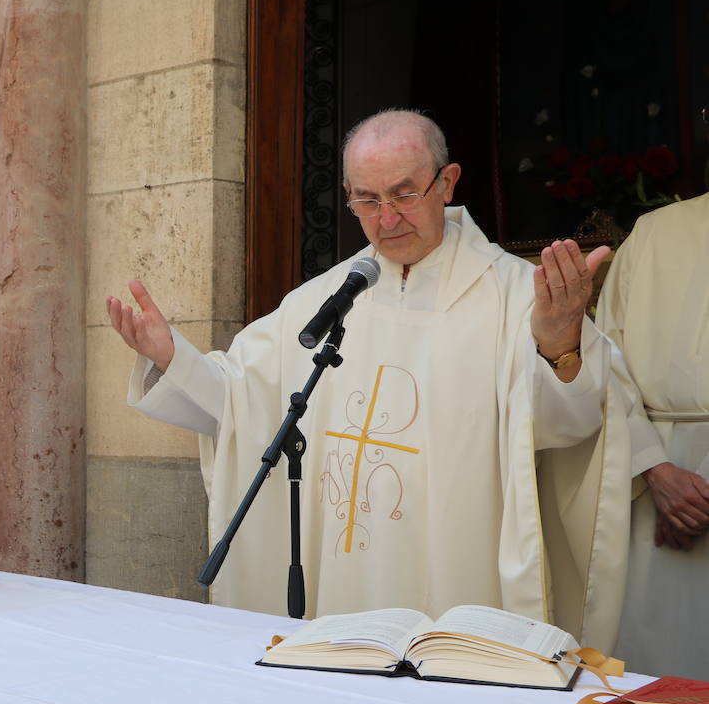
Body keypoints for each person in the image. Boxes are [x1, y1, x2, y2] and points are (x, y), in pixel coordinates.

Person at [107, 109, 633, 648]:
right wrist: (172, 358)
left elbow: (570, 429)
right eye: (366, 200)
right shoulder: (325, 299)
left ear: (447, 183)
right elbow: (242, 400)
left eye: (404, 194)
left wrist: (560, 343)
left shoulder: (518, 296)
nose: (387, 218)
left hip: (456, 578)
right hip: (341, 584)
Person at [595, 193, 709, 680]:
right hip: (653, 478)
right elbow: (604, 362)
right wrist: (658, 472)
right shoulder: (654, 232)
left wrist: (695, 495)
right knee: (658, 677)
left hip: (678, 487)